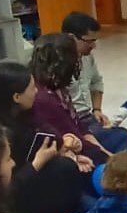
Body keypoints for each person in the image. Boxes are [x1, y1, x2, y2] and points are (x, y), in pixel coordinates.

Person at [0, 61, 93, 213]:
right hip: (2, 200)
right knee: (65, 170)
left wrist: (63, 147)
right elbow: (3, 190)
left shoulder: (9, 106)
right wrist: (37, 163)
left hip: (23, 168)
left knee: (69, 167)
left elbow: (41, 126)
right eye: (32, 89)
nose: (37, 91)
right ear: (16, 97)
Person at [30, 33, 112, 165]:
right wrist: (109, 158)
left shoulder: (57, 88)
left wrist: (107, 153)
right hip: (69, 152)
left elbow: (80, 128)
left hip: (79, 140)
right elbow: (73, 137)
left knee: (119, 137)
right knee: (100, 157)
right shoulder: (45, 98)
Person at [61, 11, 127, 153]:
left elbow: (96, 82)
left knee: (119, 136)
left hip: (89, 117)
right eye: (90, 41)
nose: (94, 46)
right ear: (71, 38)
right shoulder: (57, 67)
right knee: (121, 137)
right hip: (72, 126)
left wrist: (97, 109)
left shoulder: (86, 57)